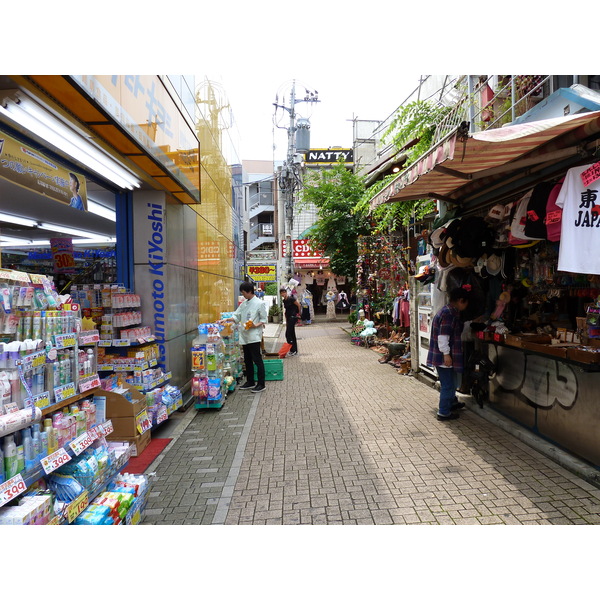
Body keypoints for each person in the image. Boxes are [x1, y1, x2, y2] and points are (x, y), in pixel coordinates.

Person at [426, 286, 470, 421]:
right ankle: (444, 412)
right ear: (461, 300)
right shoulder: (449, 314)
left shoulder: (449, 311)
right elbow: (443, 336)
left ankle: (451, 403)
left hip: (443, 355)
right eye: (466, 302)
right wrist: (446, 354)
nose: (466, 306)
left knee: (451, 382)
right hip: (443, 356)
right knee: (448, 385)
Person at [222, 282, 268, 393]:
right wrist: (226, 320)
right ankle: (250, 381)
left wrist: (254, 325)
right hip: (244, 336)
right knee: (247, 359)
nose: (243, 295)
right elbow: (236, 316)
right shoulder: (244, 304)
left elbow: (263, 320)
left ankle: (261, 384)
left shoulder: (259, 303)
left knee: (257, 359)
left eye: (243, 293)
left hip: (254, 336)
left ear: (249, 291)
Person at [280, 286, 301, 356]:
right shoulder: (284, 301)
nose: (283, 294)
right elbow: (286, 311)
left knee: (288, 334)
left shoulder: (291, 298)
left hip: (293, 317)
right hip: (288, 317)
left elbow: (298, 305)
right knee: (292, 333)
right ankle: (294, 350)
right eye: (281, 293)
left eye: (284, 292)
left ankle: (292, 348)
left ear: (286, 292)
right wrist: (286, 321)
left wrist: (298, 313)